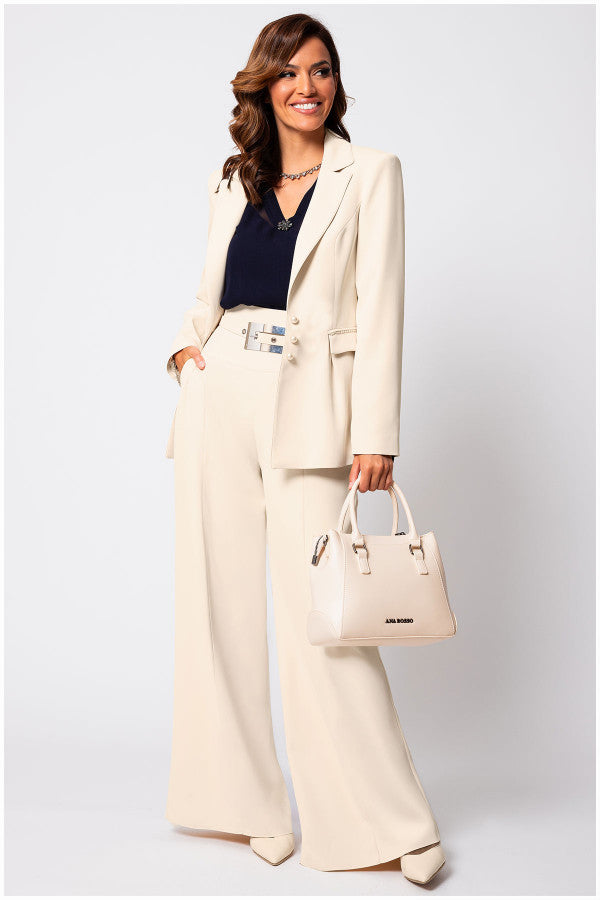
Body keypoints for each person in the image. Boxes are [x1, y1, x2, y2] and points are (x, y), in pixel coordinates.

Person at [163, 12, 446, 885]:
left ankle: (385, 823)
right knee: (217, 603)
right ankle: (242, 805)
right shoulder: (234, 179)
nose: (306, 87)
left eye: (321, 70)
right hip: (222, 392)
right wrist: (186, 353)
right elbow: (209, 292)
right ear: (265, 85)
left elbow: (382, 306)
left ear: (336, 82)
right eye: (288, 73)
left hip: (313, 398)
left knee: (323, 617)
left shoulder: (372, 174)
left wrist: (376, 434)